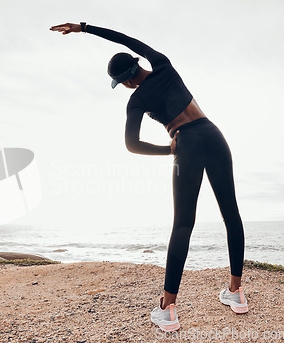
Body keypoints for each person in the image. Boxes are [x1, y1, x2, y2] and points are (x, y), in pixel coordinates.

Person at [50, 22, 248, 332]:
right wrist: (84, 28)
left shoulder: (136, 100)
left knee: (183, 223)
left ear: (126, 82)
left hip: (186, 143)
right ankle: (236, 293)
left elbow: (132, 145)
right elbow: (126, 38)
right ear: (137, 63)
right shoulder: (163, 65)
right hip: (214, 133)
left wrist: (169, 150)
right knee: (231, 214)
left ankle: (168, 308)